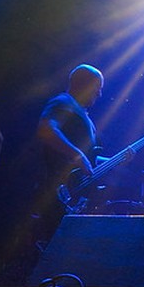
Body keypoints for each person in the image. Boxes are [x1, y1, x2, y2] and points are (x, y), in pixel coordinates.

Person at [33, 64, 109, 245]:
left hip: (70, 194)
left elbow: (88, 159)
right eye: (97, 88)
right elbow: (46, 129)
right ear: (85, 85)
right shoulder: (64, 102)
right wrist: (77, 155)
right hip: (56, 193)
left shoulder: (82, 114)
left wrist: (118, 159)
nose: (99, 94)